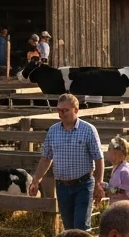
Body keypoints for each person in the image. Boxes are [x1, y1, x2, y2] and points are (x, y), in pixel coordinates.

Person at [28, 94, 104, 229]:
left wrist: (98, 184)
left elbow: (98, 158)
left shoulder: (88, 130)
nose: (61, 114)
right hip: (62, 186)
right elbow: (46, 158)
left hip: (83, 184)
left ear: (76, 110)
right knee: (68, 227)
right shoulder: (53, 131)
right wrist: (36, 180)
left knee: (80, 226)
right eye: (59, 110)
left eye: (65, 110)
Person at [104, 137, 129, 203]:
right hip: (117, 206)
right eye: (109, 149)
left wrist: (108, 189)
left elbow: (126, 191)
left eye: (110, 149)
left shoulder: (124, 171)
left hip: (125, 208)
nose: (109, 152)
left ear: (122, 154)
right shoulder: (118, 168)